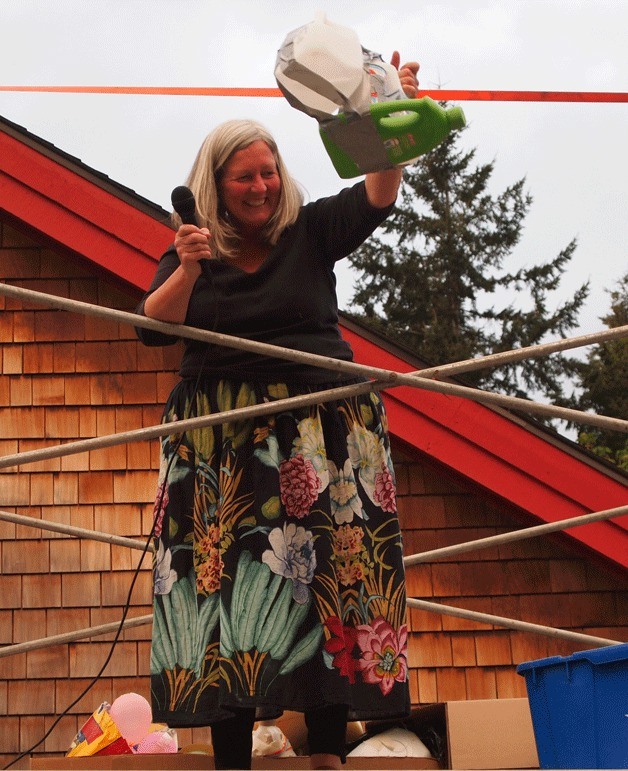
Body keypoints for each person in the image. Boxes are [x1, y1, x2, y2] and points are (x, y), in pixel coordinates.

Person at [136, 54, 419, 771]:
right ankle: (233, 759)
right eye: (244, 176)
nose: (261, 185)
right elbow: (152, 324)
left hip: (321, 436)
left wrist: (386, 121)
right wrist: (191, 266)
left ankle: (325, 753)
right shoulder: (191, 249)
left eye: (269, 171)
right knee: (226, 594)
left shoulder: (312, 230)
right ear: (215, 187)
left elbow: (379, 193)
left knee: (331, 580)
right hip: (225, 455)